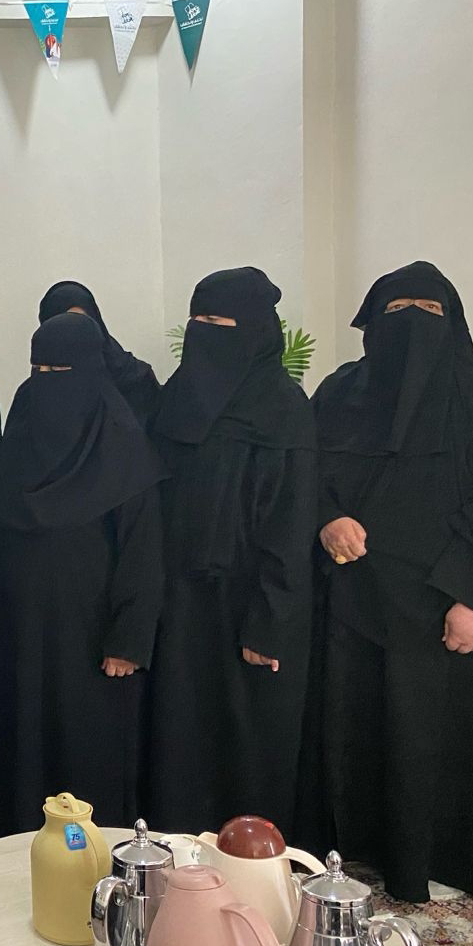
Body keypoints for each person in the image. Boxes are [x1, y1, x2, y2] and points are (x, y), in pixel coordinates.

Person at [312, 262, 473, 903]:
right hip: (357, 607)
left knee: (442, 740)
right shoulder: (339, 392)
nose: (412, 324)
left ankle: (439, 862)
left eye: (429, 312)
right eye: (397, 310)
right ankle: (367, 851)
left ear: (453, 323)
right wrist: (327, 518)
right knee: (360, 732)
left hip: (446, 610)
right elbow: (304, 474)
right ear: (372, 324)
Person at [145, 268, 317, 837]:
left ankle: (251, 864)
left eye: (217, 322)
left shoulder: (284, 408)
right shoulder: (175, 399)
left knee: (248, 738)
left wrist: (270, 623)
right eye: (196, 320)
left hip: (251, 601)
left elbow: (291, 524)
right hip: (179, 599)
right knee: (180, 731)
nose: (203, 332)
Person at [0, 313, 165, 831]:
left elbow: (143, 554)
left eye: (60, 371)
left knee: (89, 741)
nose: (46, 383)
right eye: (38, 370)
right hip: (20, 625)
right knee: (23, 736)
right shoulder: (22, 428)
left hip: (92, 632)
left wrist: (128, 640)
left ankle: (92, 852)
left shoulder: (123, 446)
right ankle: (20, 842)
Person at [37, 280, 161, 420]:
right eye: (64, 323)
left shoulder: (136, 377)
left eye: (82, 321)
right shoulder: (39, 387)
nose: (74, 330)